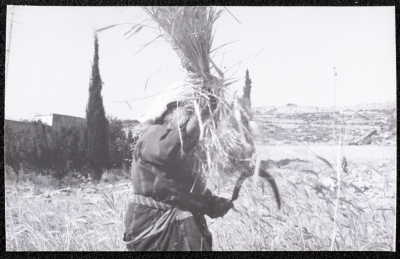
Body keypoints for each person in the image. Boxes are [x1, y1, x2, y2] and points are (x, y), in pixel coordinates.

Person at [123, 83, 234, 251]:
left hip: (180, 227)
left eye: (193, 112)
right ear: (171, 112)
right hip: (156, 230)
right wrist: (203, 110)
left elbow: (187, 191)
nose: (191, 118)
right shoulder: (154, 135)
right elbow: (170, 146)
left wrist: (211, 203)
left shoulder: (187, 149)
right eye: (188, 112)